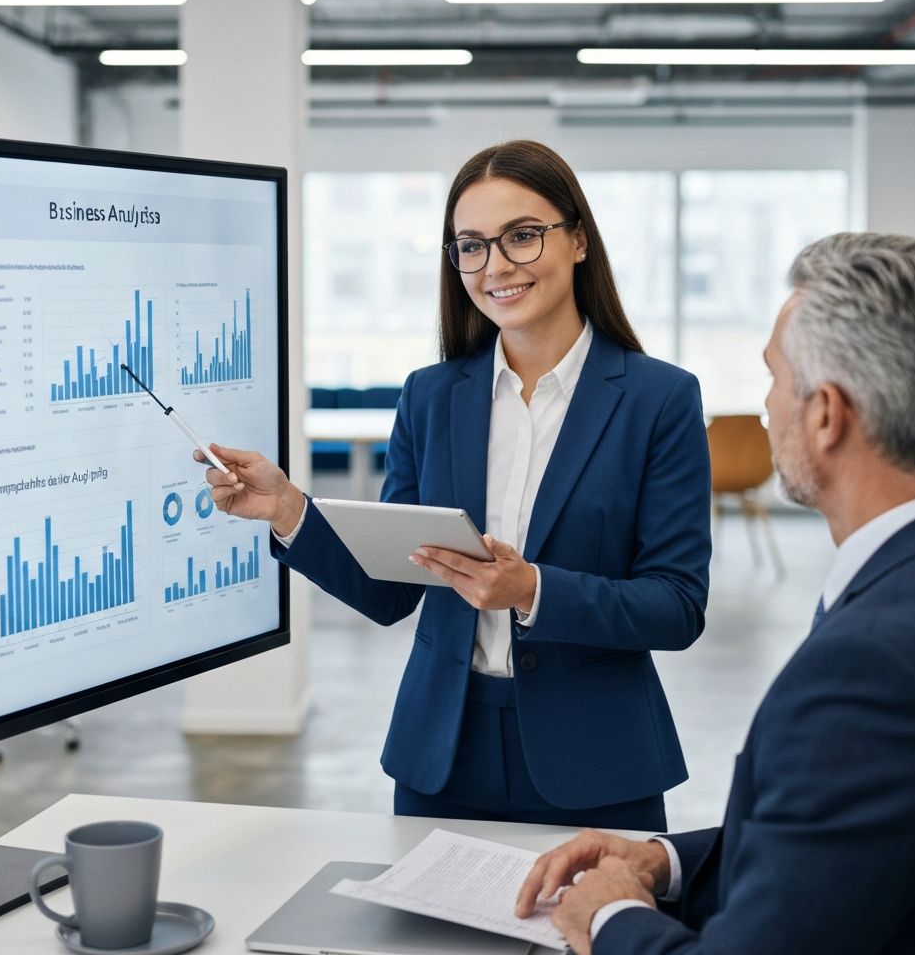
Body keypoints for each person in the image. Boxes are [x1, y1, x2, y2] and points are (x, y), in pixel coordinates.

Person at [199, 139, 711, 830]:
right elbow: (389, 593)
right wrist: (290, 510)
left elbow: (676, 605)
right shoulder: (431, 397)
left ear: (579, 240)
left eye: (522, 237)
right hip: (441, 755)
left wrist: (531, 590)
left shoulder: (658, 399)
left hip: (597, 761)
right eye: (471, 245)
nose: (496, 266)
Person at [515, 231, 915, 953]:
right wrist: (663, 862)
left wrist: (609, 917)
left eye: (774, 377)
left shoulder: (874, 670)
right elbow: (845, 836)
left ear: (827, 414)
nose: (767, 407)